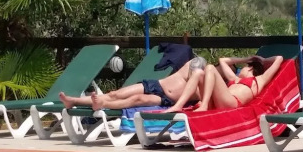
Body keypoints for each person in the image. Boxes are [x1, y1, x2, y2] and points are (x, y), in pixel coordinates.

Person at [57, 58, 206, 113]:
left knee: (137, 99)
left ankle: (102, 104)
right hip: (156, 85)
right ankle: (73, 101)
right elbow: (196, 67)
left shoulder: (206, 88)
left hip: (166, 100)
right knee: (115, 94)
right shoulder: (198, 66)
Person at [188, 54, 285, 111]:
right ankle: (185, 104)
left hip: (232, 102)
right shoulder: (234, 79)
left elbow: (279, 58)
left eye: (243, 67)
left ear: (250, 68)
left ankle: (204, 105)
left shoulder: (259, 80)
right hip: (221, 101)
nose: (241, 69)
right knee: (200, 73)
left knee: (210, 68)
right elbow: (222, 61)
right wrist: (246, 59)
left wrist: (263, 60)